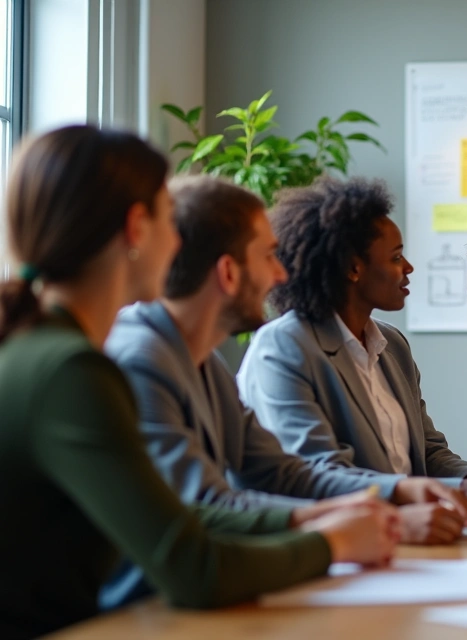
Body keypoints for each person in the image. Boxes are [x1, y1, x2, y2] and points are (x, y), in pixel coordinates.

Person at [0, 126, 398, 639]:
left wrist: (327, 520)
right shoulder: (73, 372)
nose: (179, 237)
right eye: (170, 213)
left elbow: (186, 521)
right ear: (137, 228)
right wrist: (333, 544)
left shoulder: (53, 352)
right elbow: (194, 569)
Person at [102, 176, 467, 608]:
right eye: (268, 256)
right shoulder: (143, 358)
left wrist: (394, 494)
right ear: (227, 271)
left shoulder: (204, 361)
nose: (281, 273)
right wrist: (348, 524)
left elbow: (283, 472)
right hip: (138, 611)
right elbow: (205, 503)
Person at [238, 177, 467, 510]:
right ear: (353, 268)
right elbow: (319, 474)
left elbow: (429, 453)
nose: (408, 268)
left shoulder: (391, 344)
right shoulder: (284, 348)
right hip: (350, 543)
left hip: (415, 532)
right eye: (395, 258)